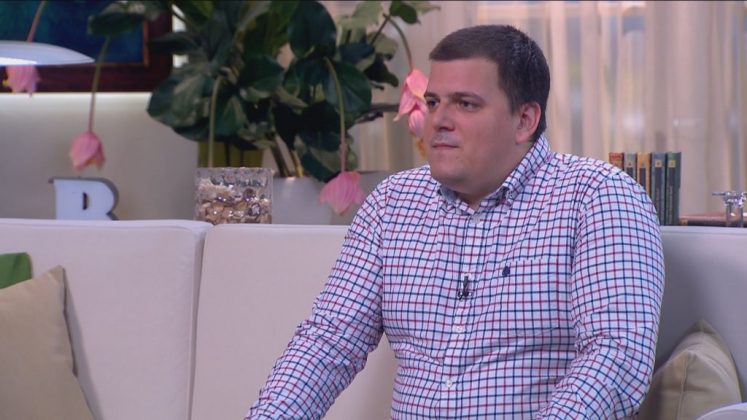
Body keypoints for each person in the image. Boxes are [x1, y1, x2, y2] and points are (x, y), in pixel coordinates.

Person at [247, 24, 664, 418]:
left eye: (465, 104)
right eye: (433, 102)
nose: (438, 121)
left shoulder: (597, 197)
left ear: (525, 120)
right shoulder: (392, 203)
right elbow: (328, 343)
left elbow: (615, 356)